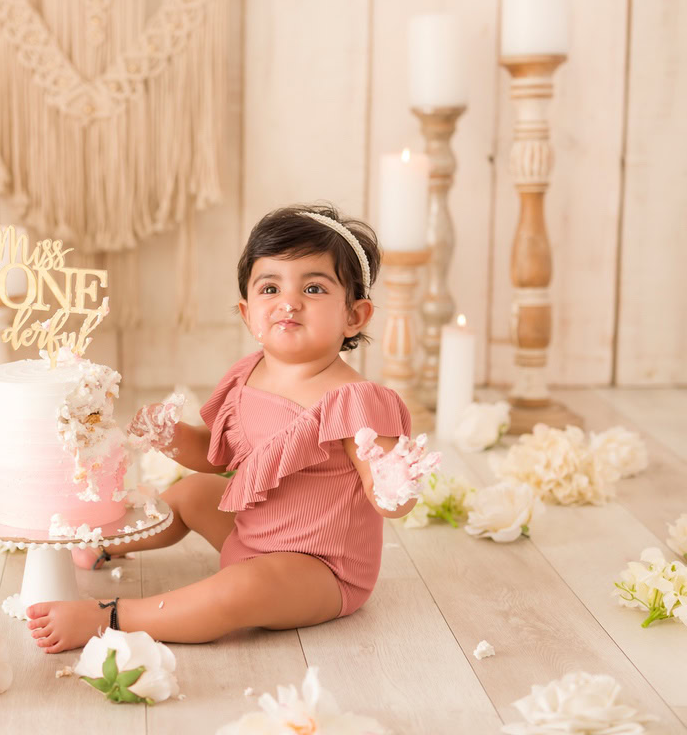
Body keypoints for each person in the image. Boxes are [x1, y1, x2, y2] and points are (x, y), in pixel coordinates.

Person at [26, 203, 419, 653]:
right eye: (270, 288)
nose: (289, 302)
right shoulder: (246, 375)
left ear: (355, 316)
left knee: (241, 589)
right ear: (248, 313)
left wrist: (395, 481)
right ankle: (106, 545)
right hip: (250, 538)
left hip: (318, 570)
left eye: (313, 288)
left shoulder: (357, 400)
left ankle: (112, 618)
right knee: (194, 492)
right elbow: (216, 457)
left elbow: (390, 502)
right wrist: (170, 436)